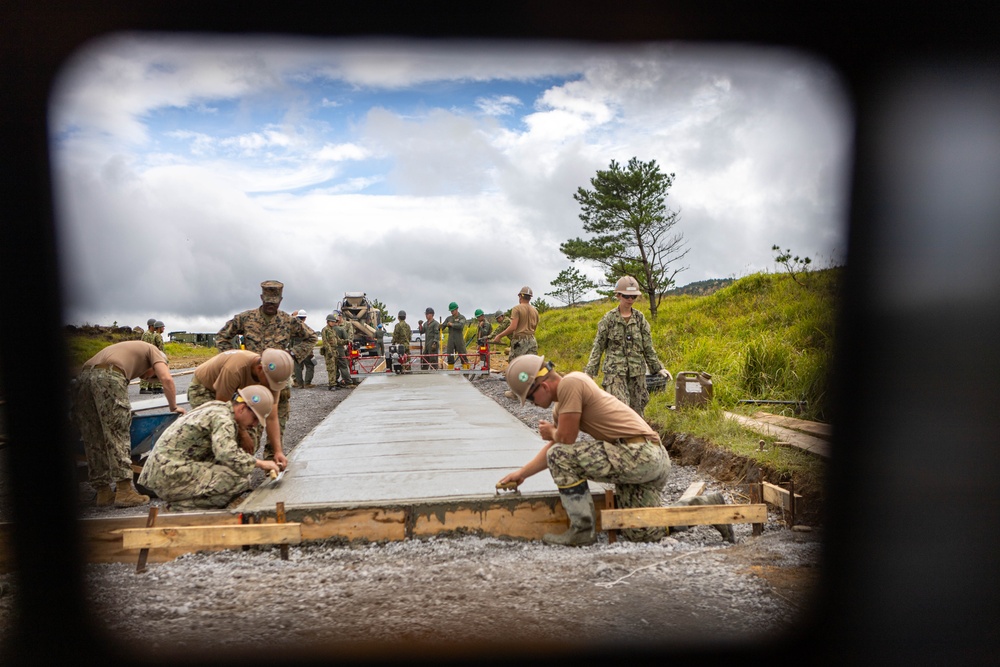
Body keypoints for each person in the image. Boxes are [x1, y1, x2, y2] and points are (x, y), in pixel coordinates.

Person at [497, 354, 671, 545]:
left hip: (641, 455)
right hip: (647, 458)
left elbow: (565, 439)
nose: (533, 404)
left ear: (544, 386)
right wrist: (522, 473)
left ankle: (582, 530)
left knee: (559, 456)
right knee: (640, 533)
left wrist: (552, 432)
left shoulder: (571, 383)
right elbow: (557, 443)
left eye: (530, 398)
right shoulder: (561, 404)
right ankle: (699, 507)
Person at [72, 340, 186, 507]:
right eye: (151, 376)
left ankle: (103, 492)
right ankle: (124, 492)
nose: (146, 378)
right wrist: (173, 406)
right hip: (108, 376)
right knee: (117, 432)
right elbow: (167, 379)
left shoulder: (127, 348)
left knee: (93, 437)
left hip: (83, 378)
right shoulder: (154, 350)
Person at [137, 385, 280, 511]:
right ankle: (178, 509)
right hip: (169, 472)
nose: (254, 425)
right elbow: (227, 453)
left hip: (166, 469)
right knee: (238, 480)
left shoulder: (218, 408)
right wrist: (260, 464)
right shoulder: (223, 418)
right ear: (242, 408)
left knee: (238, 471)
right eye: (255, 418)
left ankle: (188, 502)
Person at [215, 280, 315, 455]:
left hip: (279, 383)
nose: (271, 306)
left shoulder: (287, 321)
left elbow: (311, 337)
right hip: (253, 383)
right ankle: (245, 466)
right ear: (261, 298)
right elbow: (222, 337)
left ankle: (273, 464)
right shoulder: (246, 319)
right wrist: (237, 358)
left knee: (277, 427)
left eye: (274, 303)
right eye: (268, 302)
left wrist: (292, 356)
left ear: (280, 300)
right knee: (250, 429)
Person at [186, 348, 293, 469]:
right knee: (219, 433)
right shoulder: (234, 369)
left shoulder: (273, 376)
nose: (271, 387)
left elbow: (272, 417)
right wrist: (242, 434)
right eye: (270, 382)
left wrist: (278, 451)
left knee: (251, 438)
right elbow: (221, 411)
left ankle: (238, 470)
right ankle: (212, 472)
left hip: (233, 391)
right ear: (259, 369)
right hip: (204, 388)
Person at [584, 275, 672, 417]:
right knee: (620, 409)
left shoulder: (639, 319)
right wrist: (589, 372)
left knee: (637, 412)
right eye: (626, 296)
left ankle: (636, 438)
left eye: (633, 296)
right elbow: (598, 346)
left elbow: (648, 347)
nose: (630, 300)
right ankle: (616, 438)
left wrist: (658, 368)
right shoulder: (609, 319)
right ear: (618, 295)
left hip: (637, 374)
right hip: (615, 372)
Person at [492, 286, 539, 397]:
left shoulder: (517, 309)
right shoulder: (535, 310)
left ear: (520, 296)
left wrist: (499, 336)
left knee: (516, 366)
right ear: (530, 298)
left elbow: (513, 327)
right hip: (532, 340)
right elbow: (535, 327)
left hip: (520, 341)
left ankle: (515, 392)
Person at [321, 312, 349, 390]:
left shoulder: (333, 330)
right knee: (331, 368)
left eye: (334, 322)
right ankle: (332, 384)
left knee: (335, 367)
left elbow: (338, 340)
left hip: (335, 351)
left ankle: (334, 383)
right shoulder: (325, 330)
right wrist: (329, 352)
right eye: (332, 321)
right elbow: (325, 342)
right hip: (329, 352)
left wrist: (346, 341)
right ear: (328, 322)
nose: (333, 323)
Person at [290, 309, 317, 388]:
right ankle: (307, 383)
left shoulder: (293, 327)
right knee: (310, 365)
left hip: (295, 348)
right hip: (305, 349)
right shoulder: (305, 327)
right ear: (305, 318)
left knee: (297, 366)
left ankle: (299, 383)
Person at [139, 319, 165, 394]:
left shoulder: (152, 334)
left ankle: (150, 387)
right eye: (154, 326)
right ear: (150, 326)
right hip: (147, 355)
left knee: (151, 371)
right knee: (146, 371)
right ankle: (143, 388)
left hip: (151, 354)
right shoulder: (147, 334)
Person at [442, 302, 468, 368]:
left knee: (462, 355)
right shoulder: (448, 318)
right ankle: (450, 371)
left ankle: (466, 372)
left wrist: (452, 324)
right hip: (451, 339)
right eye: (451, 311)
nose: (451, 312)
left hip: (459, 338)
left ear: (457, 309)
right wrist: (440, 326)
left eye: (453, 310)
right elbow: (442, 327)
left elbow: (461, 325)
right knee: (449, 355)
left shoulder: (462, 317)